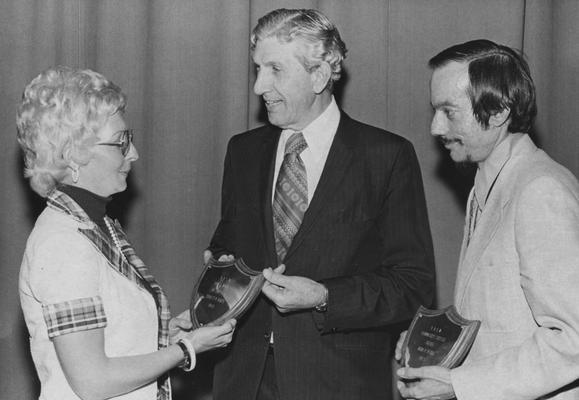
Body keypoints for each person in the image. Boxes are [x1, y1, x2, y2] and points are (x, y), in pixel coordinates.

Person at [206, 8, 435, 400]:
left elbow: (412, 286)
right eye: (257, 69)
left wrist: (325, 296)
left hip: (339, 385)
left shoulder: (385, 156)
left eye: (274, 69)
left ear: (319, 74)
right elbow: (229, 251)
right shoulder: (242, 152)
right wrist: (217, 274)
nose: (259, 86)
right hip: (242, 382)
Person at [17, 66, 236, 400]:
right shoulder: (62, 243)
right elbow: (93, 382)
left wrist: (165, 334)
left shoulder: (96, 225)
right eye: (121, 143)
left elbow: (112, 343)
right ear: (74, 153)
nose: (133, 154)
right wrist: (185, 349)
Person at [396, 39, 579, 400]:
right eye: (435, 110)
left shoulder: (540, 190)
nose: (434, 127)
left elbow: (573, 339)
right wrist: (432, 346)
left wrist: (461, 385)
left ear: (498, 112)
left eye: (449, 111)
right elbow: (498, 313)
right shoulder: (490, 182)